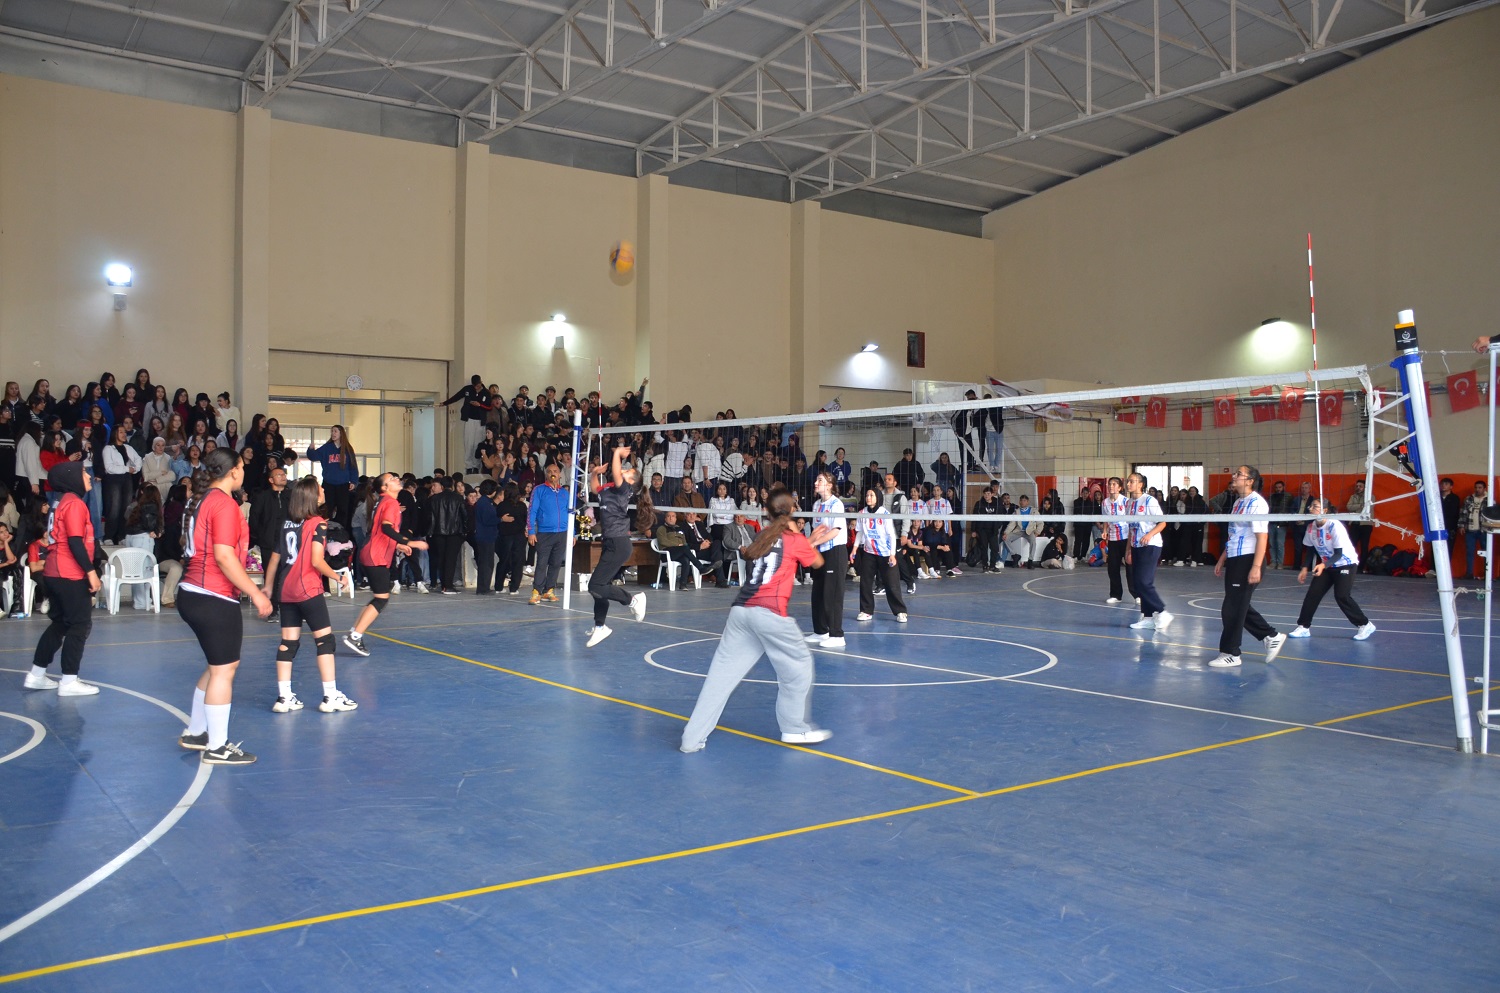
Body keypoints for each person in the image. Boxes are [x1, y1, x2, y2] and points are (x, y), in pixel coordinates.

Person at [679, 486, 839, 754]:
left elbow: (780, 553)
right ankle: (794, 727)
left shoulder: (765, 535)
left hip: (741, 612)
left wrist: (803, 542)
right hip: (770, 614)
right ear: (791, 512)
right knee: (798, 667)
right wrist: (807, 539)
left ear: (767, 511)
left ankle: (691, 740)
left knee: (720, 679)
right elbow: (818, 563)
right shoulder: (793, 538)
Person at [176, 448, 274, 765]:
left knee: (215, 665)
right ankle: (217, 746)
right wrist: (256, 593)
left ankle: (196, 732)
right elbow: (223, 556)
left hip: (191, 590)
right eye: (243, 467)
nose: (244, 472)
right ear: (233, 471)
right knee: (224, 670)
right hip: (212, 594)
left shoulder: (201, 500)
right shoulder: (224, 504)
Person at [262, 476, 358, 714]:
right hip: (307, 589)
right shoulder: (318, 523)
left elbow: (274, 558)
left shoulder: (286, 523)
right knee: (325, 641)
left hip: (286, 591)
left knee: (288, 643)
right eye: (320, 488)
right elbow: (316, 560)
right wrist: (339, 577)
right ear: (312, 496)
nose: (324, 490)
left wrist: (267, 587)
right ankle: (330, 696)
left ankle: (284, 698)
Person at [23, 462, 101, 695]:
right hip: (69, 572)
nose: (87, 475)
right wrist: (91, 572)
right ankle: (69, 681)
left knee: (61, 623)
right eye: (83, 472)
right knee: (80, 624)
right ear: (71, 478)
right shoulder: (75, 504)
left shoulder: (59, 502)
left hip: (53, 572)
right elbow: (75, 541)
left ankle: (36, 674)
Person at [343, 472, 427, 658]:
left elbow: (379, 533)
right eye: (392, 480)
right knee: (381, 598)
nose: (397, 480)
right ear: (384, 488)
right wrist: (410, 542)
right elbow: (386, 528)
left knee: (378, 598)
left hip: (373, 552)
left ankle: (355, 631)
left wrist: (399, 545)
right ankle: (355, 636)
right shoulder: (390, 503)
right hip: (375, 556)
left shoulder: (384, 502)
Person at [1212, 465, 1287, 669]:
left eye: (1239, 474)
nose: (1234, 476)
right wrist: (1222, 558)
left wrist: (1256, 566)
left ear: (1250, 480)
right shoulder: (1238, 502)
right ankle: (1270, 635)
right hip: (1235, 557)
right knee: (1237, 604)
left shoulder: (1257, 503)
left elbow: (1262, 537)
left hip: (1249, 559)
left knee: (1231, 608)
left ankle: (1231, 653)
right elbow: (1234, 534)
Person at [585, 445, 649, 647]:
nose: (624, 470)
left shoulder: (624, 489)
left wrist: (617, 453)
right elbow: (595, 488)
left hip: (619, 543)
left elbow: (615, 470)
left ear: (631, 481)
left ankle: (632, 600)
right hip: (610, 543)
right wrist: (594, 473)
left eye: (629, 471)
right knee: (600, 587)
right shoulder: (609, 488)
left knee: (595, 585)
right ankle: (600, 626)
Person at [1288, 499, 1376, 641]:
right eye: (1311, 506)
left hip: (1345, 564)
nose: (1311, 509)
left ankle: (1365, 624)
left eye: (1315, 507)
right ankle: (1304, 627)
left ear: (1325, 510)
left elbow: (1338, 553)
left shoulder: (1334, 526)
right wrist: (1304, 568)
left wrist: (1323, 565)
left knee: (1342, 596)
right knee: (1313, 594)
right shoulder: (1311, 527)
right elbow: (1310, 549)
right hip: (1328, 565)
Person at [1123, 472, 1172, 632]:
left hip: (1151, 545)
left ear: (1140, 484)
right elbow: (1131, 528)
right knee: (1138, 582)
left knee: (1144, 582)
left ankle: (1163, 612)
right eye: (1128, 481)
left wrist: (1149, 535)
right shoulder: (1129, 503)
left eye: (1132, 481)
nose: (1128, 484)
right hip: (1136, 546)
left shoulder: (1149, 501)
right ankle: (1148, 617)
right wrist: (1128, 550)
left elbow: (1162, 523)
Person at [853, 486, 907, 623]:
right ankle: (866, 611)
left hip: (885, 553)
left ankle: (900, 611)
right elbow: (859, 532)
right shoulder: (862, 513)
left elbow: (891, 535)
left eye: (871, 495)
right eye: (867, 495)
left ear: (878, 498)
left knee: (892, 583)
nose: (868, 498)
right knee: (865, 582)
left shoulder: (885, 514)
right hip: (869, 552)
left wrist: (892, 555)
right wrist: (854, 548)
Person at [807, 472, 847, 649]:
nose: (816, 483)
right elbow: (817, 529)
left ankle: (837, 635)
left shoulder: (836, 504)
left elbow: (835, 531)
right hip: (820, 551)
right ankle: (820, 631)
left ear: (829, 485)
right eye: (817, 480)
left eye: (820, 480)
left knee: (832, 594)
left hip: (835, 551)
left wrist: (814, 543)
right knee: (817, 593)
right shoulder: (817, 504)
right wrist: (810, 544)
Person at [527, 463, 570, 604]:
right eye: (550, 471)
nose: (553, 473)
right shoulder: (539, 490)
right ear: (546, 474)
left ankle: (549, 590)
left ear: (559, 475)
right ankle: (536, 592)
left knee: (556, 563)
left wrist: (573, 533)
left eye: (556, 471)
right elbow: (532, 511)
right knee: (541, 563)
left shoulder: (565, 493)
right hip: (544, 533)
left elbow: (571, 514)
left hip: (562, 533)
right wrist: (531, 531)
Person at [306, 425, 358, 527]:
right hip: (328, 484)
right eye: (332, 431)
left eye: (335, 431)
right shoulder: (327, 447)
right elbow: (313, 456)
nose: (333, 434)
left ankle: (341, 530)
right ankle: (325, 529)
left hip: (343, 484)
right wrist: (310, 449)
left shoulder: (347, 449)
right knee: (327, 508)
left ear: (341, 433)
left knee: (343, 509)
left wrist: (354, 481)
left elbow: (353, 466)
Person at [1101, 476, 1136, 604]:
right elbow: (1106, 519)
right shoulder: (1105, 502)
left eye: (1114, 484)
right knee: (1113, 568)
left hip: (1126, 538)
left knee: (1130, 566)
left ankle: (1136, 594)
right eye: (1110, 484)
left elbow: (1132, 520)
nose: (1111, 486)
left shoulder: (1126, 501)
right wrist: (1105, 531)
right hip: (1113, 539)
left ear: (1120, 487)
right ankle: (1116, 594)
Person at [1459, 481, 1489, 580]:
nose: (1477, 489)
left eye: (1480, 487)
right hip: (1470, 529)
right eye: (1476, 487)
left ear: (1484, 488)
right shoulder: (1469, 499)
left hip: (1484, 530)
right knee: (1469, 552)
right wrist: (1461, 526)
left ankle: (1487, 574)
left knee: (1486, 552)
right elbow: (1463, 512)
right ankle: (1469, 573)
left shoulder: (1489, 500)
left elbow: (1492, 516)